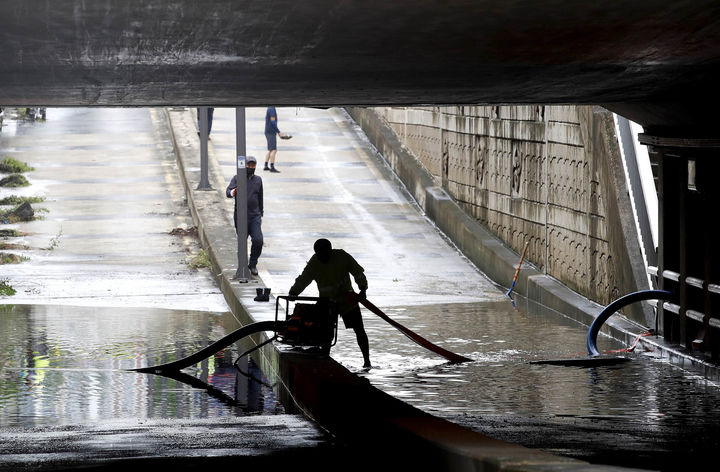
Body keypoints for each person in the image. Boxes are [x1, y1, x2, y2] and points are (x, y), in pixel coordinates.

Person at [289, 238, 371, 368]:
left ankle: (367, 361)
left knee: (359, 330)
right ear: (316, 253)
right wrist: (294, 292)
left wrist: (363, 288)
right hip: (327, 303)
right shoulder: (314, 262)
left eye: (325, 253)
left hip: (347, 301)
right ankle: (325, 356)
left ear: (330, 250)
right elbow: (304, 279)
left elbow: (357, 272)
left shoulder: (342, 256)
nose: (322, 257)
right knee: (325, 332)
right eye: (320, 254)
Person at [225, 156, 263, 276]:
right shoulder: (237, 178)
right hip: (241, 217)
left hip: (254, 216)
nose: (251, 168)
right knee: (242, 242)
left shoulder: (258, 180)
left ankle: (252, 264)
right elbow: (228, 192)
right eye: (249, 165)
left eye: (253, 166)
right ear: (244, 165)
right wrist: (234, 191)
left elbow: (260, 197)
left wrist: (261, 212)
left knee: (258, 240)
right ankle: (242, 265)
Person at [264, 106, 285, 173]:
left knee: (270, 150)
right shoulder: (271, 108)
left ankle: (266, 165)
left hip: (268, 131)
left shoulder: (270, 108)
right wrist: (278, 132)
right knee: (274, 150)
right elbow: (273, 122)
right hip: (271, 132)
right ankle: (272, 167)